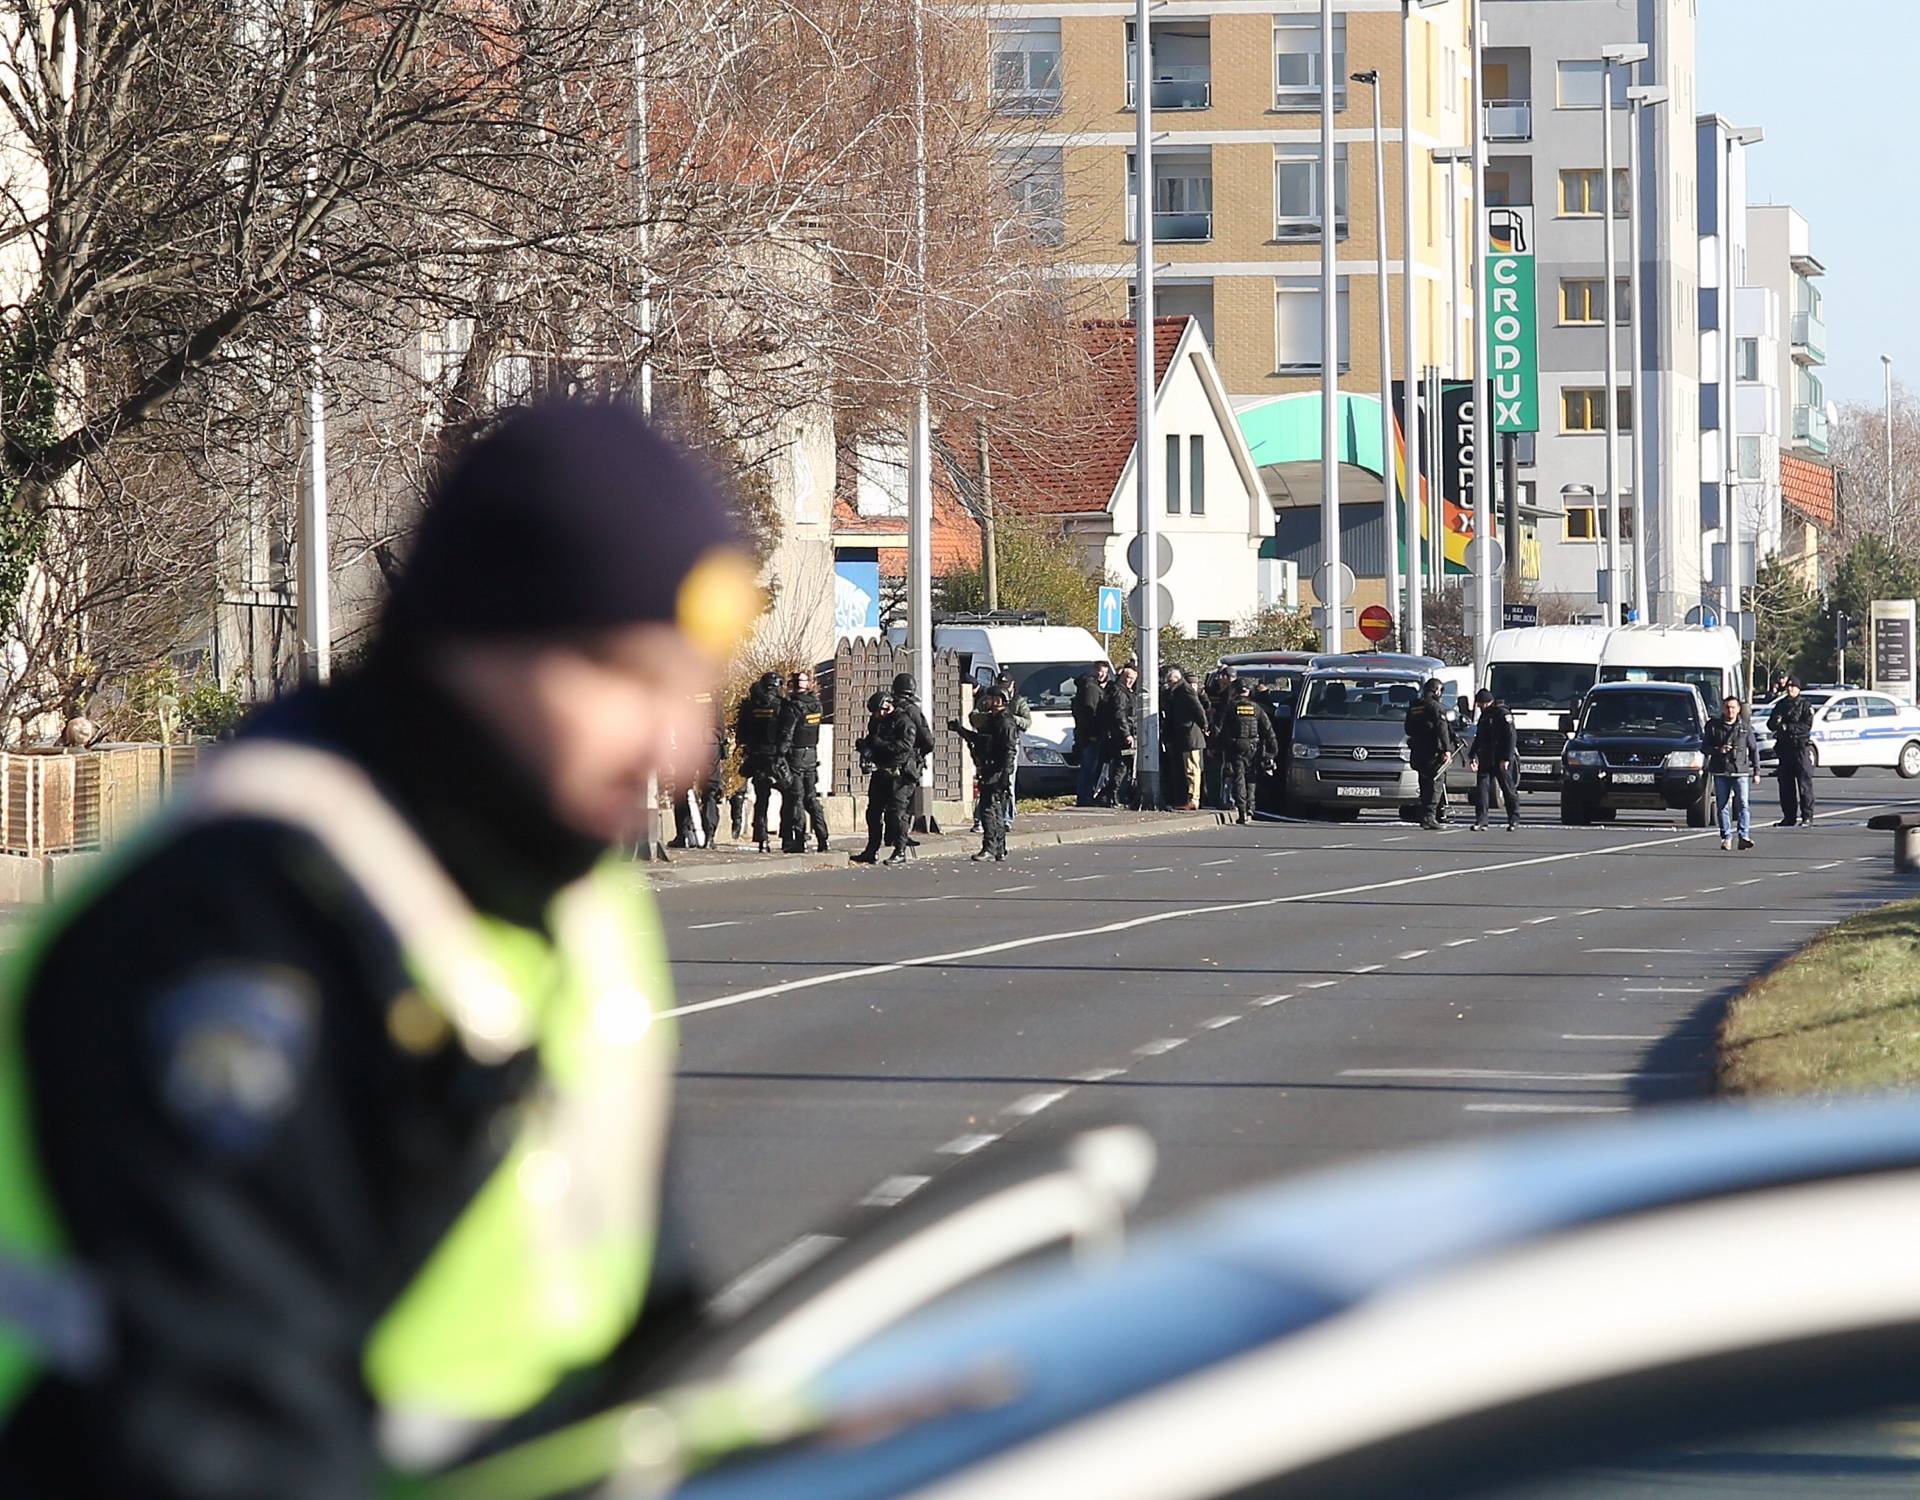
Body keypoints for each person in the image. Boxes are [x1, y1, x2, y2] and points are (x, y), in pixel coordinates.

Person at [0, 402, 762, 1499]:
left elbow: (648, 1327)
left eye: (686, 684)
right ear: (466, 642)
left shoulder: (577, 894)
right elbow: (212, 1435)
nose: (674, 747)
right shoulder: (241, 922)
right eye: (616, 676)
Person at [950, 686, 1020, 861]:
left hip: (996, 771)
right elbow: (979, 740)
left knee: (989, 808)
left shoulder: (1005, 723)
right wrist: (960, 730)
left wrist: (1004, 775)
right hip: (988, 768)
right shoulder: (991, 720)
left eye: (990, 698)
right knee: (992, 808)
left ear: (998, 701)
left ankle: (991, 848)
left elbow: (1009, 751)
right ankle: (999, 849)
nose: (986, 701)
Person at [852, 692, 918, 866]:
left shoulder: (904, 721)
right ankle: (872, 849)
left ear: (888, 706)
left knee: (897, 814)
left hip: (899, 774)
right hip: (880, 772)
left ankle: (900, 850)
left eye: (879, 711)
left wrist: (880, 744)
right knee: (873, 812)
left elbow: (905, 746)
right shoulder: (876, 721)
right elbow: (871, 739)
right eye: (874, 712)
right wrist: (865, 746)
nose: (876, 715)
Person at [776, 668, 831, 854]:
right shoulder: (816, 704)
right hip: (811, 756)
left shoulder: (794, 707)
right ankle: (823, 838)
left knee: (796, 799)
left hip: (796, 756)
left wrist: (779, 756)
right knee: (811, 798)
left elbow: (787, 733)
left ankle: (799, 840)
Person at [733, 670, 788, 853]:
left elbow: (742, 732)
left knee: (761, 800)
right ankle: (787, 836)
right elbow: (787, 733)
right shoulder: (782, 706)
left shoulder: (751, 706)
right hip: (777, 758)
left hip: (757, 758)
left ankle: (762, 840)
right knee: (790, 796)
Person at [971, 671, 1032, 829]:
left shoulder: (1018, 701)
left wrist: (1010, 718)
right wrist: (992, 716)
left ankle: (1007, 819)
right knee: (986, 785)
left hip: (1008, 746)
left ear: (1012, 685)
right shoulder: (988, 699)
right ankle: (980, 820)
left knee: (1007, 783)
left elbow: (1027, 722)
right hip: (989, 746)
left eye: (1005, 685)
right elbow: (974, 717)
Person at [1215, 678, 1278, 826]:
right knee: (1251, 778)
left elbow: (1219, 728)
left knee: (1239, 778)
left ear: (1234, 691)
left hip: (1236, 746)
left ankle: (1242, 811)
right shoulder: (1256, 708)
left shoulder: (1230, 707)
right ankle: (1250, 808)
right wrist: (1273, 751)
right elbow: (1268, 730)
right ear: (1249, 691)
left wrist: (1215, 746)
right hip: (1253, 747)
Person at [1705, 693, 1761, 851]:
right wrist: (1718, 750)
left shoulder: (1744, 727)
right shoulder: (1714, 726)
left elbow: (1754, 749)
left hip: (1740, 771)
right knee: (1722, 805)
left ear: (1738, 710)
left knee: (1743, 804)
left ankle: (1744, 835)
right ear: (1723, 709)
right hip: (1721, 771)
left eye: (1733, 708)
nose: (1730, 711)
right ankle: (1726, 837)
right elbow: (1704, 747)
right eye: (1728, 707)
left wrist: (1756, 771)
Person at [1404, 676, 1457, 831]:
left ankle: (1425, 815)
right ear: (1437, 691)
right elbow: (1442, 729)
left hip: (1418, 750)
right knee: (1435, 784)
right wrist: (1446, 749)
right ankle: (1430, 817)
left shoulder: (1414, 707)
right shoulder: (1435, 707)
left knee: (1424, 782)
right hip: (1433, 751)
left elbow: (1408, 729)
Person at [1467, 688, 1520, 832]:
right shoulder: (1484, 716)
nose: (1480, 707)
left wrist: (1507, 758)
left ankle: (1513, 819)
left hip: (1500, 758)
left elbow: (1511, 737)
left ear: (1488, 702)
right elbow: (1479, 738)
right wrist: (1472, 756)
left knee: (1507, 789)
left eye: (1481, 704)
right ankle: (1481, 820)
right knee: (1482, 790)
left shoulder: (1503, 713)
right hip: (1486, 757)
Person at [1767, 676, 1817, 828]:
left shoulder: (1804, 705)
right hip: (1785, 749)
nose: (1790, 689)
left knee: (1804, 783)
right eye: (1788, 686)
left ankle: (1807, 816)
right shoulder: (1781, 704)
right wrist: (1776, 723)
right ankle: (1789, 817)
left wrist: (1788, 727)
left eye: (1793, 686)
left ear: (1798, 689)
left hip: (1800, 748)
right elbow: (1770, 724)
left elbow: (1806, 726)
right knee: (1785, 785)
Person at [1161, 666, 1211, 811]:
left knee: (1192, 768)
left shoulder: (1185, 690)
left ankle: (1194, 799)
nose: (1168, 685)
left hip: (1191, 735)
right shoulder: (1177, 692)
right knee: (1188, 768)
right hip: (1184, 735)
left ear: (1175, 680)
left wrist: (1204, 726)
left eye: (1170, 682)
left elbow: (1198, 709)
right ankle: (1188, 798)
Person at [1098, 662, 1140, 808]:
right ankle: (1112, 796)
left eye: (1133, 678)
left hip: (1122, 735)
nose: (1131, 680)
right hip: (1121, 738)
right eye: (1128, 677)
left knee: (1125, 765)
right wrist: (1127, 735)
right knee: (1122, 765)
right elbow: (1120, 715)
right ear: (1122, 677)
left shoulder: (1124, 691)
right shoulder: (1120, 693)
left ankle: (1113, 795)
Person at [1072, 662, 1114, 806]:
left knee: (1090, 767)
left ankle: (1086, 796)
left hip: (1088, 734)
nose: (1101, 674)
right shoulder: (1091, 688)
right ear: (1093, 671)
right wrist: (1093, 733)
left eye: (1104, 672)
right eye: (1099, 671)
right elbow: (1090, 713)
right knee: (1090, 768)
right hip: (1091, 735)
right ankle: (1085, 798)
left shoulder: (1090, 686)